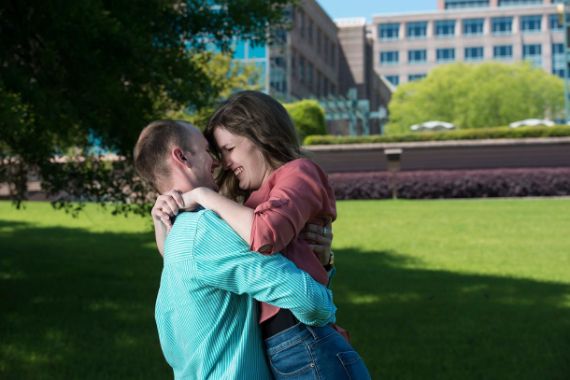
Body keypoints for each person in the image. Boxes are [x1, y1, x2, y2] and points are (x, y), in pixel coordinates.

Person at [168, 91, 371, 379]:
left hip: (304, 341)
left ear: (259, 136)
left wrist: (203, 196)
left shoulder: (299, 172)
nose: (225, 162)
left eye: (229, 149)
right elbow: (191, 262)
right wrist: (163, 218)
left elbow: (265, 234)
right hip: (285, 347)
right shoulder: (252, 200)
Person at [133, 119, 337, 379]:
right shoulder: (206, 229)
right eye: (207, 150)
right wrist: (324, 294)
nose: (217, 162)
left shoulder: (177, 238)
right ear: (182, 157)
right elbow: (310, 302)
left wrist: (320, 259)